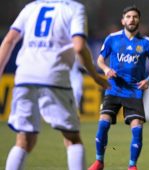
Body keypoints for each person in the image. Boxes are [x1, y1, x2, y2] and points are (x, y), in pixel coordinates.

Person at [0, 0, 110, 169]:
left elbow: (9, 40)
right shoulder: (74, 8)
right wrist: (95, 76)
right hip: (53, 76)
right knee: (72, 139)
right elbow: (79, 47)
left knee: (23, 141)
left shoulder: (31, 7)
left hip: (24, 77)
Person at [88, 6, 149, 170]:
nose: (132, 19)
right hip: (113, 89)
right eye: (128, 16)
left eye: (135, 17)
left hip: (134, 92)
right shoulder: (112, 39)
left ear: (139, 20)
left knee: (137, 129)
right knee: (103, 124)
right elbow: (99, 60)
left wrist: (148, 80)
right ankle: (99, 162)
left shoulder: (146, 42)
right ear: (123, 20)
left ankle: (132, 166)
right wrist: (106, 69)